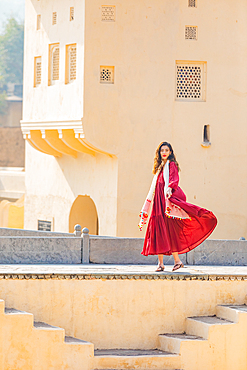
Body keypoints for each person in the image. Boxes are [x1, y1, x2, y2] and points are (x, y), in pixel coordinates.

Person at [139, 141, 217, 272]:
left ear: (170, 153)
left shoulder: (171, 165)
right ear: (159, 153)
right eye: (162, 150)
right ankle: (161, 264)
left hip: (166, 203)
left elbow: (174, 179)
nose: (164, 152)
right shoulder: (159, 169)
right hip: (157, 204)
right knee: (158, 231)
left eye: (166, 150)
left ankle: (177, 261)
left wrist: (170, 188)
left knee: (170, 231)